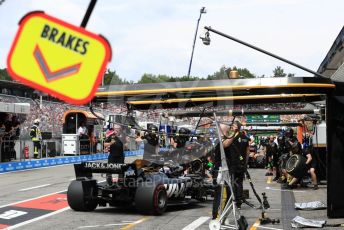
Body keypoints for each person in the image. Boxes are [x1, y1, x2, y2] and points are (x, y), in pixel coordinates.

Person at [212, 121, 245, 219]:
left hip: (226, 171)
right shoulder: (220, 140)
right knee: (222, 196)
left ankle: (223, 216)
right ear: (224, 131)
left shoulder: (225, 138)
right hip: (220, 172)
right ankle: (217, 217)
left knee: (229, 195)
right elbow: (225, 144)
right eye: (228, 129)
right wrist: (234, 132)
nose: (230, 129)